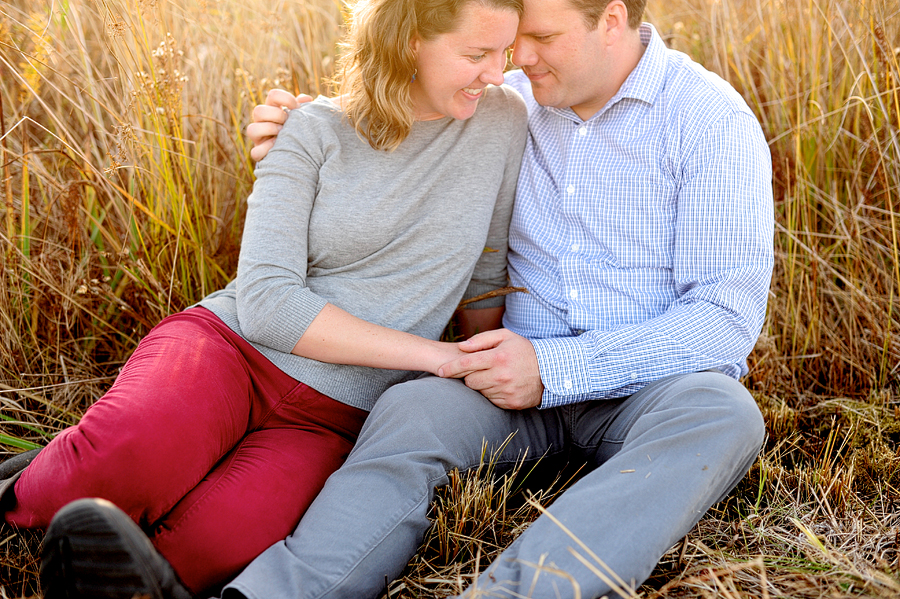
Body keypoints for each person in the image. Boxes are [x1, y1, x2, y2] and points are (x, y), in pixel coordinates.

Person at [231, 0, 774, 597]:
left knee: (724, 412)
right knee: (413, 411)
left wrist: (554, 369)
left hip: (644, 392)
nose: (521, 58)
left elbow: (725, 318)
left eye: (542, 37)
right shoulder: (503, 101)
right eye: (516, 39)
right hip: (503, 386)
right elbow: (382, 117)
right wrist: (296, 127)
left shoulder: (708, 118)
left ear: (612, 20)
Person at [0, 0, 528, 595]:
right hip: (232, 353)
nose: (496, 73)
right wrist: (438, 357)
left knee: (220, 544)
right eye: (477, 54)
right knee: (118, 468)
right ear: (410, 43)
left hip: (332, 419)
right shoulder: (312, 129)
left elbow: (485, 262)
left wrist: (490, 356)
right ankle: (26, 489)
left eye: (505, 53)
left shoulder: (503, 120)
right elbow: (269, 304)